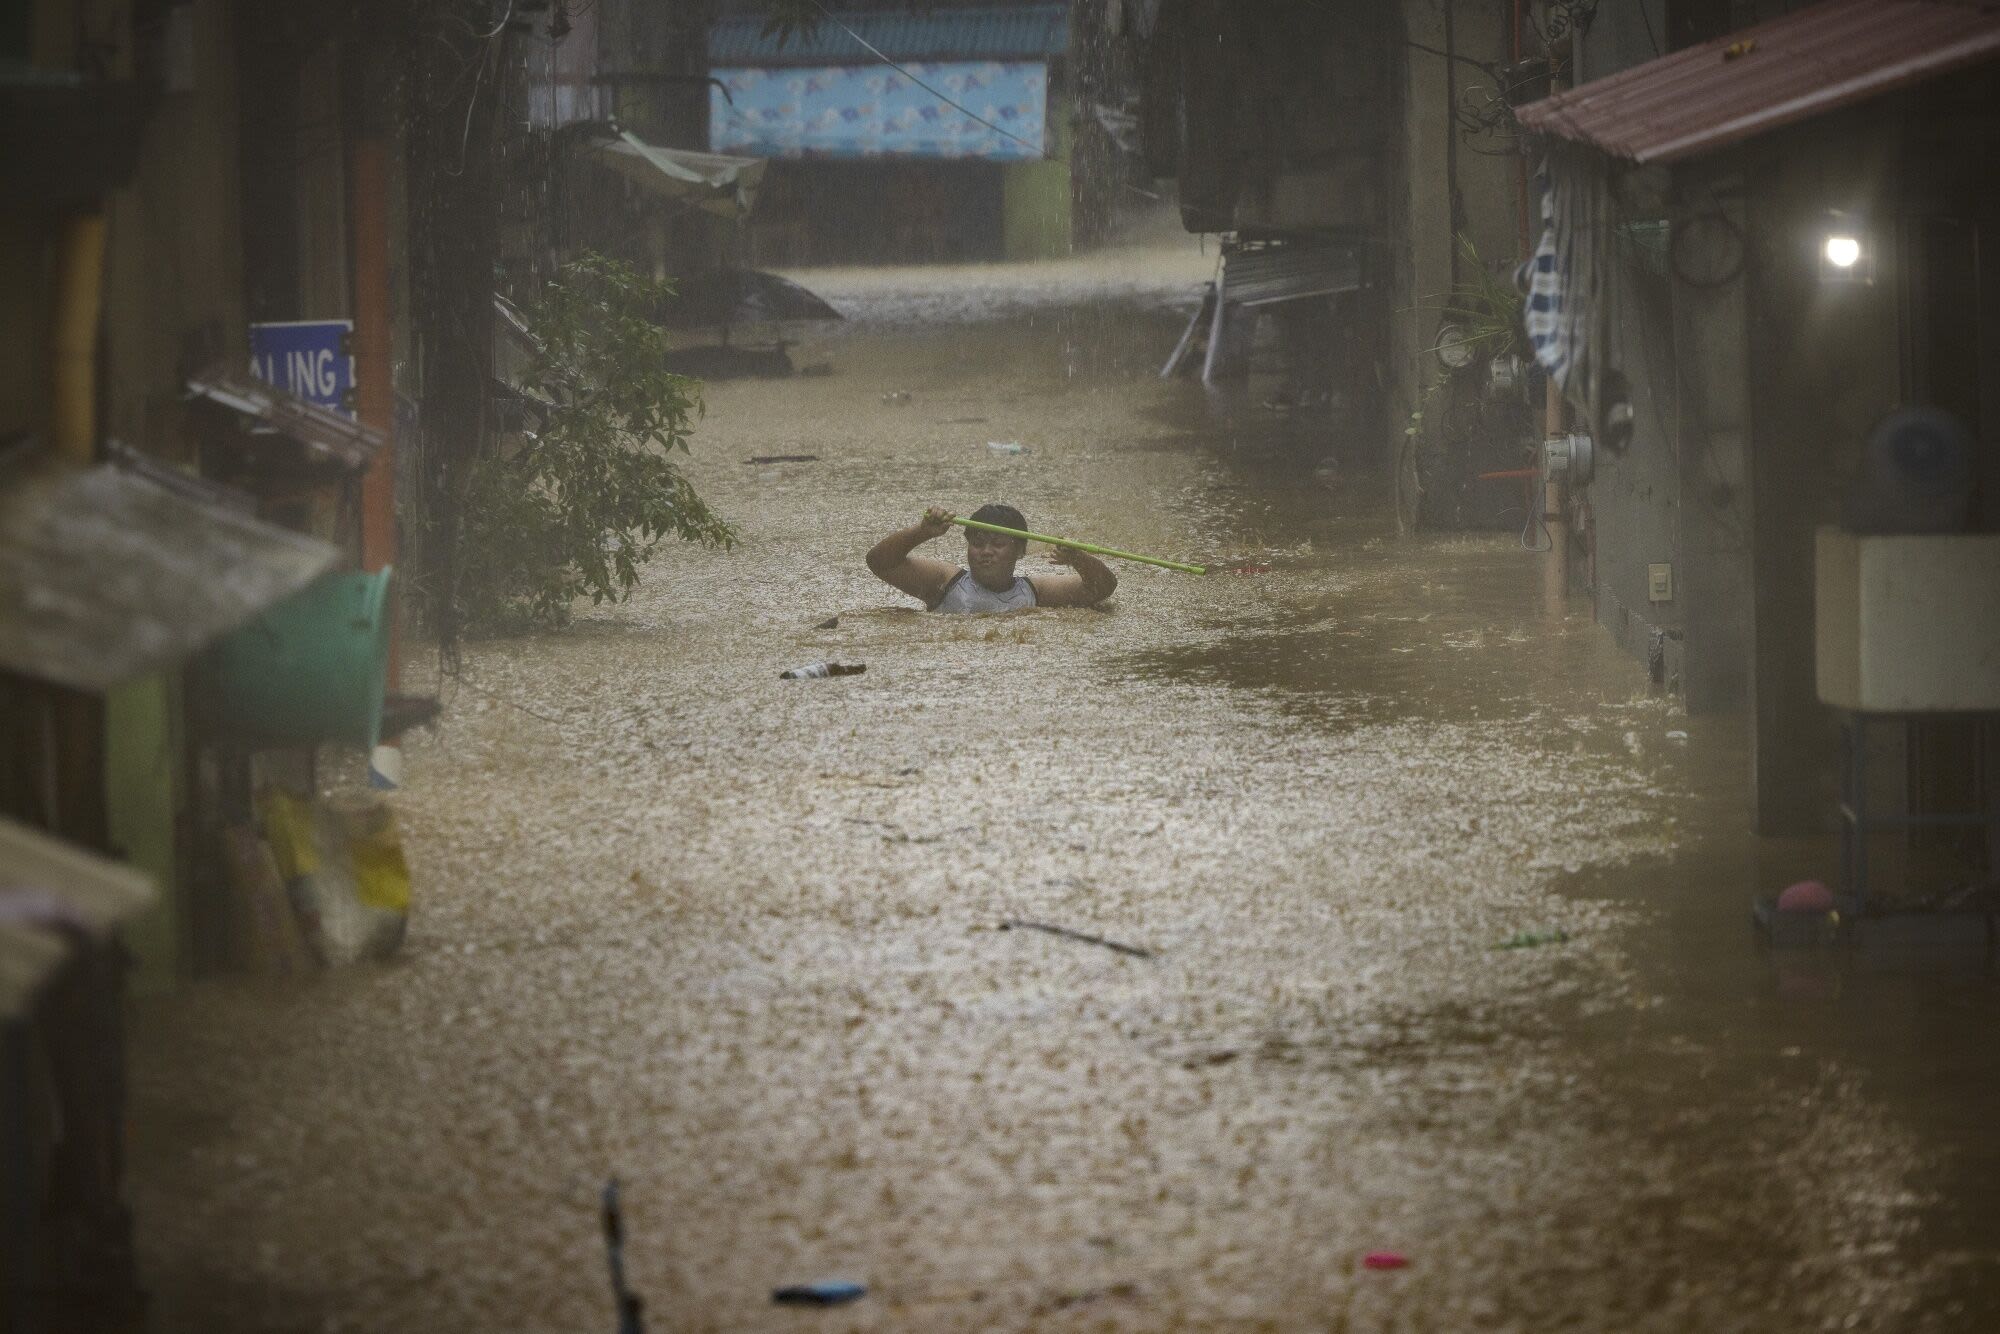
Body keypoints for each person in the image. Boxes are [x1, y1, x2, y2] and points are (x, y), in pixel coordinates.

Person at [866, 503, 1117, 612]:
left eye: (997, 544)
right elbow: (879, 563)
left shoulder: (1036, 591)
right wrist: (920, 533)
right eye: (977, 543)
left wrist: (1078, 558)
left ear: (1020, 551)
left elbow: (1102, 588)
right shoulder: (944, 581)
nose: (985, 551)